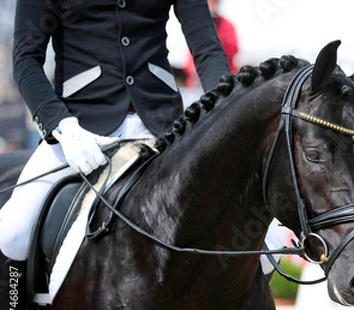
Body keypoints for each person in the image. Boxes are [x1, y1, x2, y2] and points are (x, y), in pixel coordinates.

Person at [0, 1, 229, 268]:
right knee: (12, 234)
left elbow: (207, 49)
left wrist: (224, 111)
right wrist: (62, 126)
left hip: (163, 125)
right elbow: (26, 60)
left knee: (263, 246)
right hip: (79, 129)